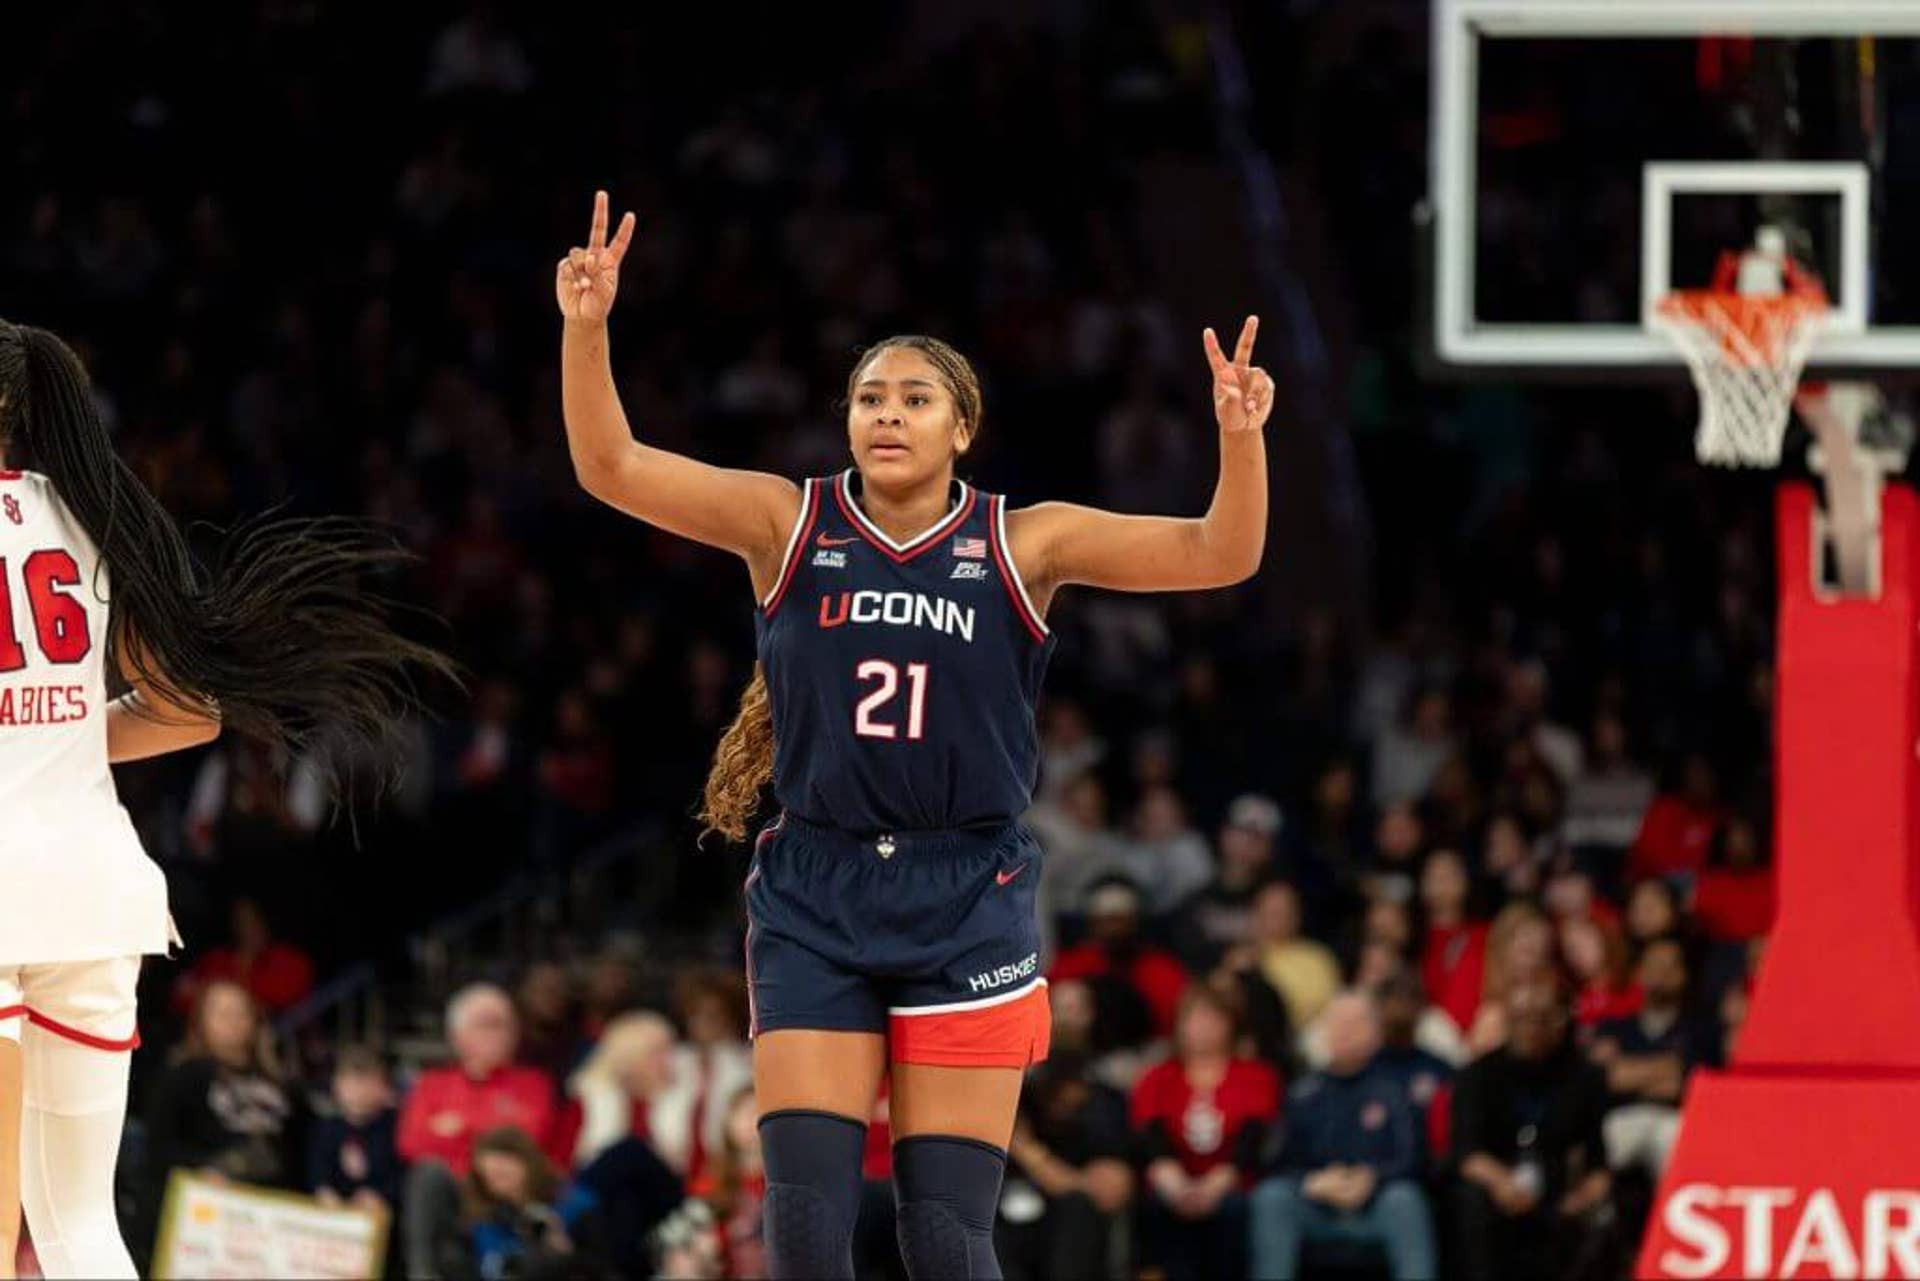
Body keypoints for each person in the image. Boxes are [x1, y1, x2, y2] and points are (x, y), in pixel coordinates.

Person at [559, 190, 1272, 1279]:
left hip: (966, 894)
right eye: (868, 397)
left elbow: (1222, 554)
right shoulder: (787, 523)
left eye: (915, 397)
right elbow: (612, 468)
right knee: (804, 1231)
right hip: (816, 883)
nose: (887, 414)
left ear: (962, 427)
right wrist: (587, 328)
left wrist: (1239, 440)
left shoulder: (1024, 541)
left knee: (944, 1238)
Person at [0, 320, 448, 1278]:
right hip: (92, 895)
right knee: (80, 1226)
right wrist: (61, 725)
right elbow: (188, 711)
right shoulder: (89, 511)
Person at [1249, 992, 1437, 1281]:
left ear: (1377, 1033)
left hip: (1376, 1206)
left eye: (1356, 1023)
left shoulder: (1396, 1090)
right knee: (1272, 1197)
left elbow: (1414, 1159)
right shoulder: (1303, 1092)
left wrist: (1371, 1178)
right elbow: (1276, 1162)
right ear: (1323, 1033)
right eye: (1337, 1023)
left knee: (1405, 1200)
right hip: (1317, 1205)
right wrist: (1311, 1182)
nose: (1345, 1031)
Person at [400, 983, 565, 1280]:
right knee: (427, 1175)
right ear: (457, 1035)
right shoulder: (432, 1083)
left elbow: (524, 1142)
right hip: (452, 1194)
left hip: (506, 1194)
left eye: (507, 1025)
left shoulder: (534, 1084)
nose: (501, 1034)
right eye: (488, 1025)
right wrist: (485, 1131)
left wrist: (457, 1127)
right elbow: (411, 1144)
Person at [1451, 980, 1612, 1281]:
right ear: (1508, 1020)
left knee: (1600, 1219)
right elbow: (1467, 1154)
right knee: (1470, 1199)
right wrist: (1503, 1183)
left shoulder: (1585, 1077)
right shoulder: (1477, 1075)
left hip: (1557, 1188)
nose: (1531, 1028)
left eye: (1541, 1017)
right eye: (1522, 1017)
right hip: (1496, 1182)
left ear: (1561, 1020)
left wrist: (1584, 1196)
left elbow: (1599, 1165)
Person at [1130, 984, 1279, 1281]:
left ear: (1230, 1025)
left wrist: (1214, 1187)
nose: (1202, 1027)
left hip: (1233, 1185)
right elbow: (1150, 1137)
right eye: (1193, 1018)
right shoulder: (1157, 1076)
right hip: (1171, 1184)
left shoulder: (1255, 1075)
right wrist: (1176, 1186)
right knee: (1156, 1211)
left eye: (1212, 1018)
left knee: (1233, 1213)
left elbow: (1253, 1139)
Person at [996, 1050, 1133, 1281]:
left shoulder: (1096, 1117)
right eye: (1055, 1093)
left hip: (1065, 1241)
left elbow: (1111, 1192)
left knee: (1077, 1207)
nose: (1064, 1102)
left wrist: (1031, 1154)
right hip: (1010, 1229)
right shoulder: (1018, 1106)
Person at [305, 1045, 403, 1216]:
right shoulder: (326, 1129)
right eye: (351, 1083)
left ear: (384, 1088)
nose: (358, 1092)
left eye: (366, 1083)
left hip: (385, 1219)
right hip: (335, 1221)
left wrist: (383, 1196)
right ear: (336, 1086)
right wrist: (324, 1191)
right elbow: (317, 1173)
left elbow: (403, 1175)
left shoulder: (397, 1127)